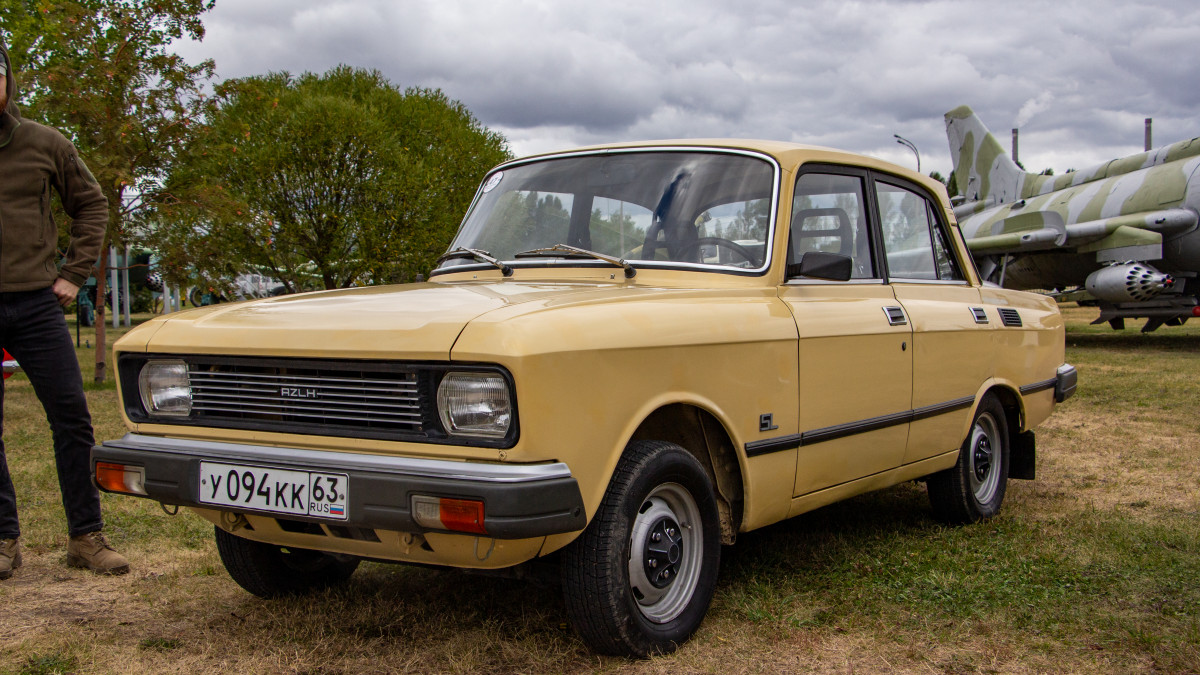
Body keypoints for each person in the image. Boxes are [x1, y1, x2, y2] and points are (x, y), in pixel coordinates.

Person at [0, 38, 129, 578]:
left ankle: (85, 537)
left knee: (72, 418)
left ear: (6, 79)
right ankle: (4, 540)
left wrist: (74, 274)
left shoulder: (43, 142)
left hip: (35, 304)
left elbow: (92, 204)